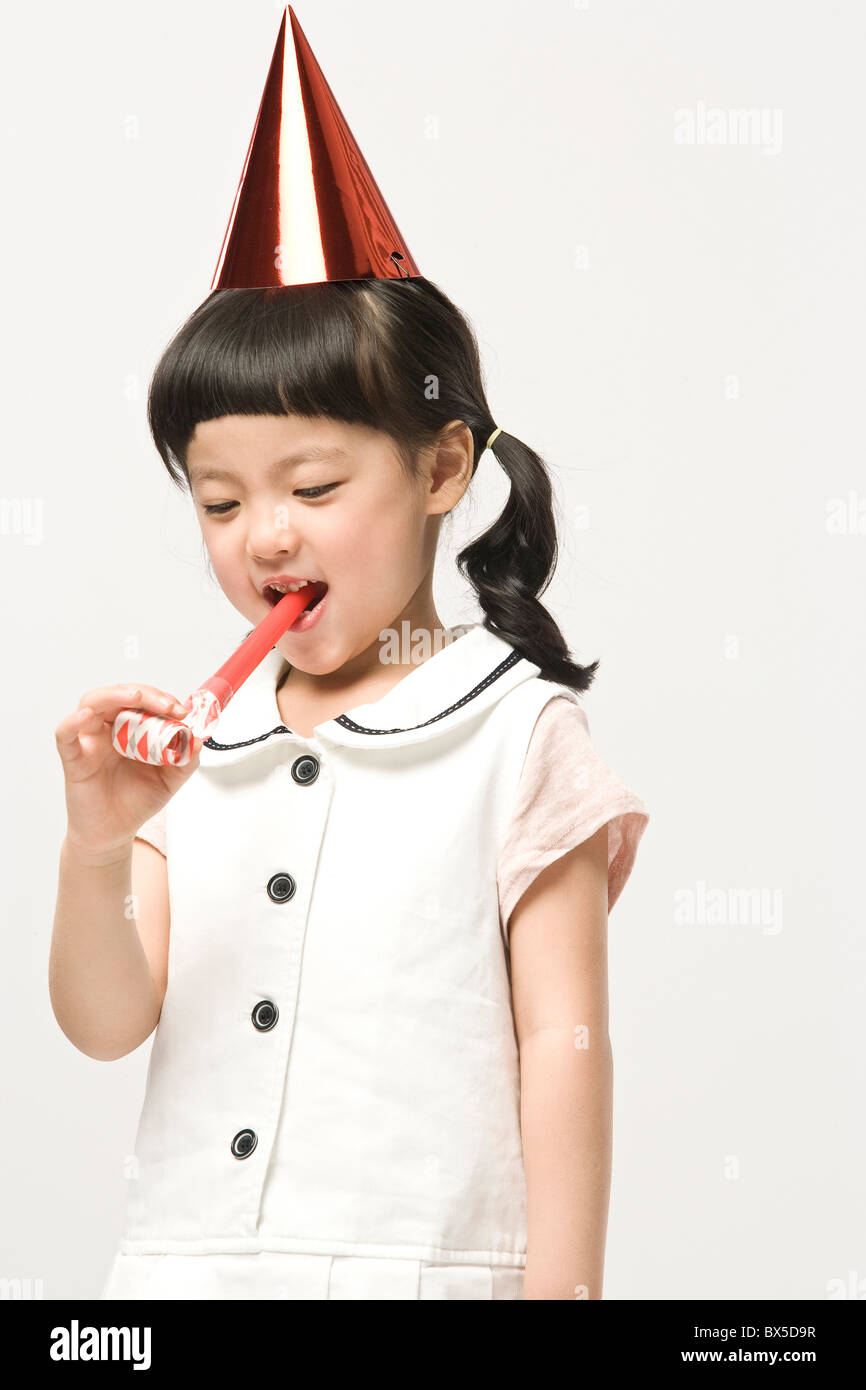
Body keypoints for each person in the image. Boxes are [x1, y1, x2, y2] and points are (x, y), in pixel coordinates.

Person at [50, 10, 649, 1301]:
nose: (265, 534)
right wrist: (98, 844)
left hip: (428, 1275)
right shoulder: (191, 753)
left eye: (312, 482)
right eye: (218, 501)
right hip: (181, 1280)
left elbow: (564, 1040)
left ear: (442, 465)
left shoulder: (510, 731)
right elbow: (104, 1024)